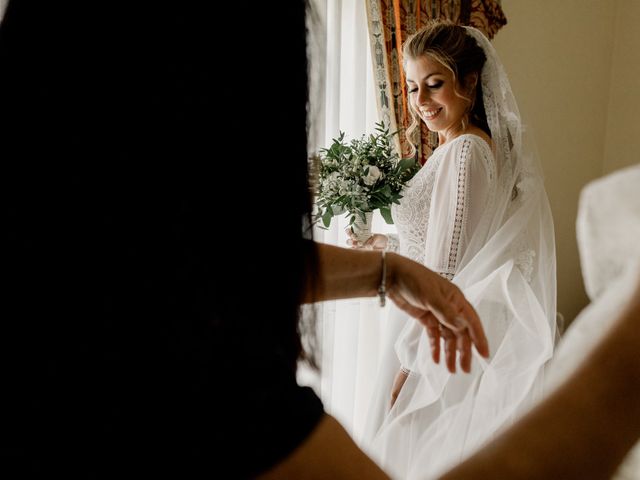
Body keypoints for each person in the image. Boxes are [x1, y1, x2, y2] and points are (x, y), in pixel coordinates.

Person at [3, 1, 640, 479]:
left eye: (432, 84)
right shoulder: (199, 383)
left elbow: (439, 257)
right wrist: (620, 369)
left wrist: (388, 272)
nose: (417, 100)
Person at [349, 21, 558, 479]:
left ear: (469, 82)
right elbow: (450, 246)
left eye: (434, 84)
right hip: (434, 327)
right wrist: (386, 242)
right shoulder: (460, 148)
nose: (421, 102)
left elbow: (446, 274)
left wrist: (412, 366)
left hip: (431, 337)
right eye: (411, 87)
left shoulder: (464, 151)